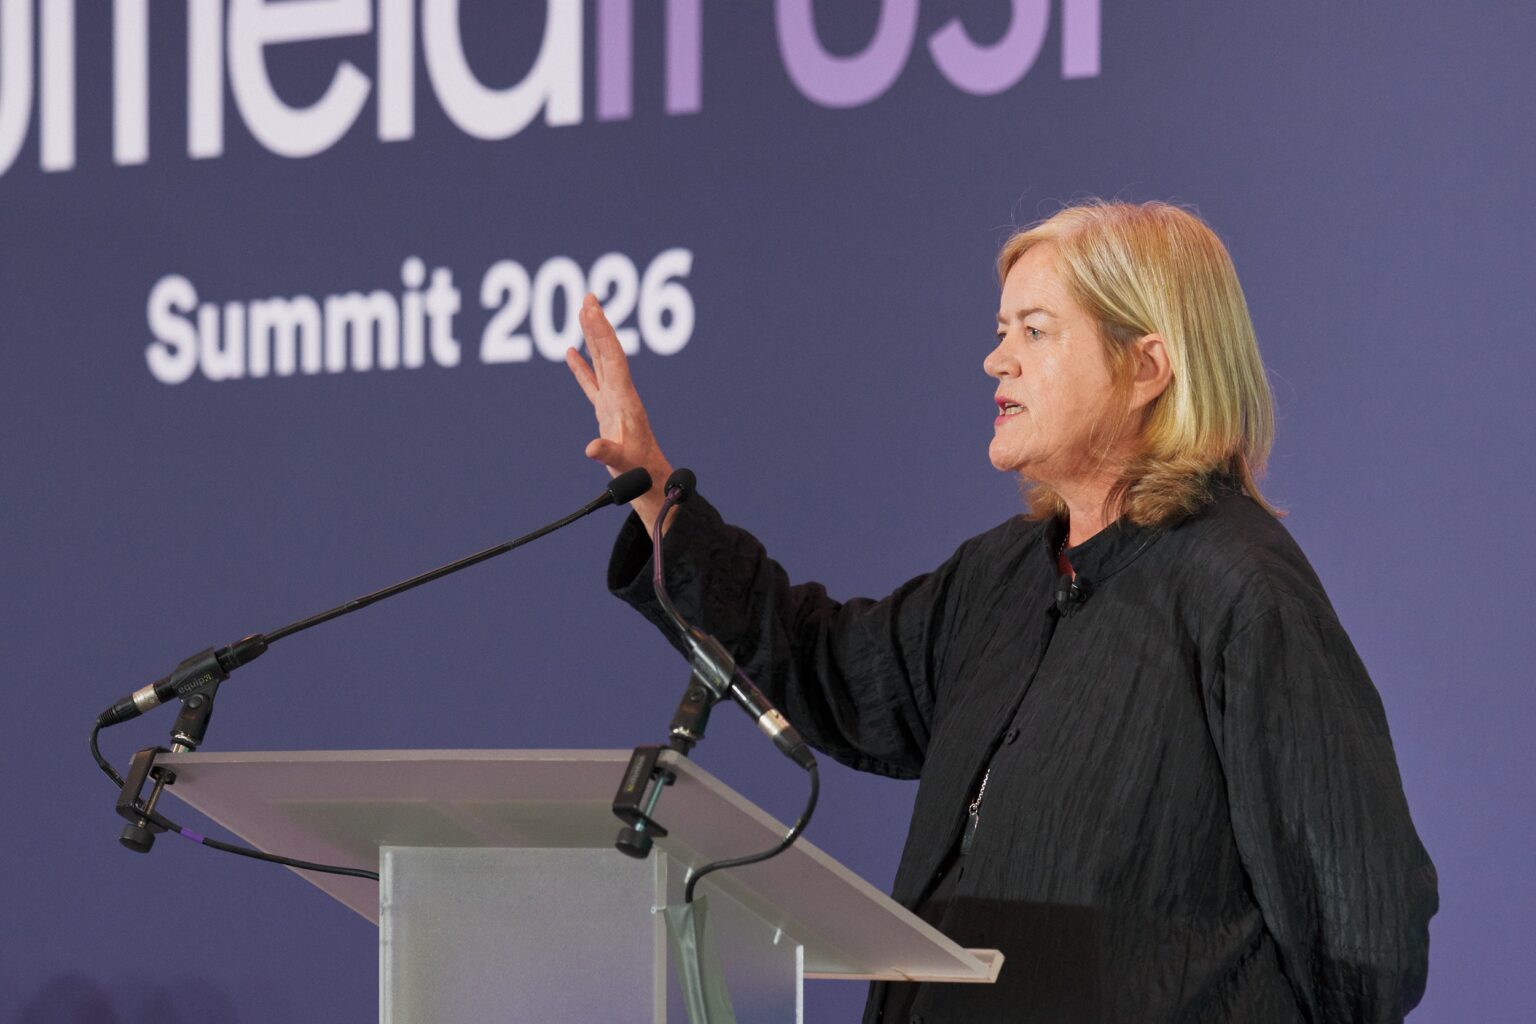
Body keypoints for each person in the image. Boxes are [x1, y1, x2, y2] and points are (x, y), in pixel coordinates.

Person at [565, 200, 1437, 1023]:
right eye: (1000, 331)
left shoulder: (1240, 589)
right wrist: (658, 497)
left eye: (1036, 330)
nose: (997, 359)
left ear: (1145, 367)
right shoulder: (1003, 576)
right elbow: (825, 667)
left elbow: (1363, 932)